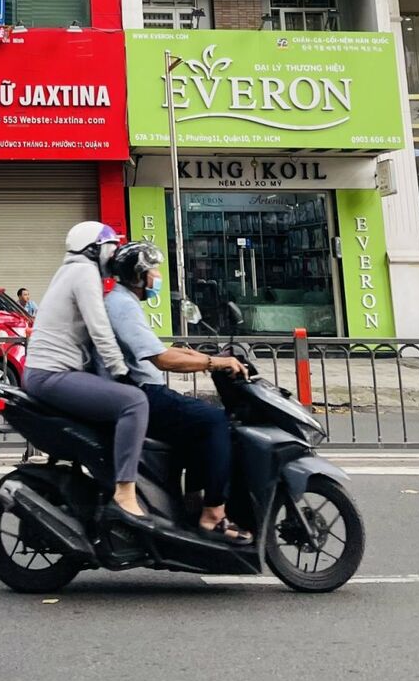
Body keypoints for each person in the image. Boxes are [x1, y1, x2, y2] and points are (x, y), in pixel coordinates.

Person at [104, 241, 251, 543]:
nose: (158, 276)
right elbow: (161, 359)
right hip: (142, 392)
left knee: (196, 424)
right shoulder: (121, 305)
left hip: (143, 389)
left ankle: (190, 504)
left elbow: (158, 348)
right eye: (153, 270)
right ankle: (213, 515)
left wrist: (204, 357)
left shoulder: (123, 301)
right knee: (215, 422)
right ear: (138, 276)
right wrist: (213, 363)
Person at [23, 221, 154, 533]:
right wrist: (122, 372)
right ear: (95, 249)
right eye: (110, 247)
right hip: (52, 374)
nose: (114, 254)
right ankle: (125, 493)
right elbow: (99, 329)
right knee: (134, 402)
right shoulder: (84, 273)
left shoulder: (71, 270)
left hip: (47, 372)